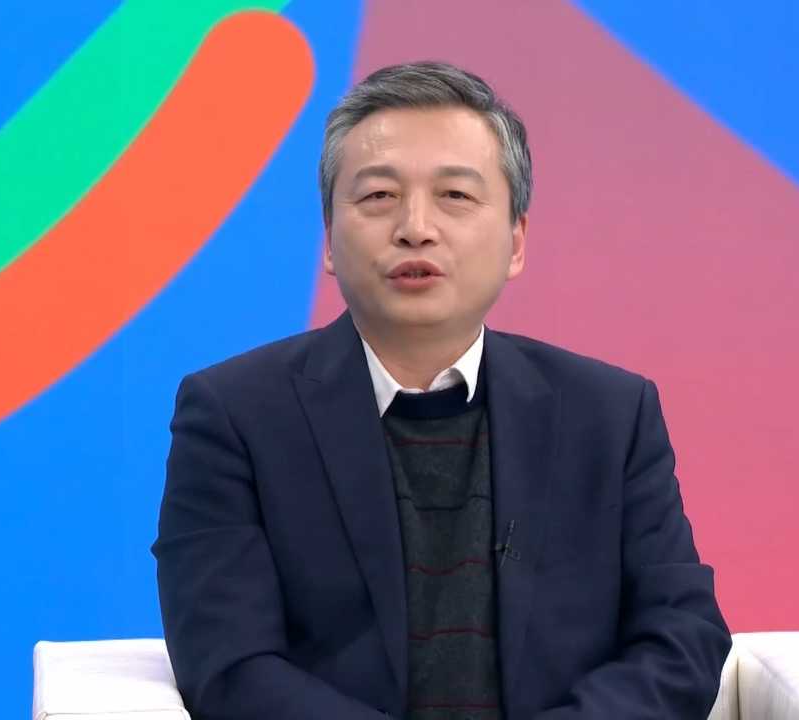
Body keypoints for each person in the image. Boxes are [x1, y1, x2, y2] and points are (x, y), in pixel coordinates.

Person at [152, 61, 730, 720]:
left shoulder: (610, 415)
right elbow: (228, 665)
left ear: (516, 240)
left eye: (455, 195)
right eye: (379, 196)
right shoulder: (235, 416)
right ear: (330, 242)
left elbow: (683, 640)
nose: (416, 227)